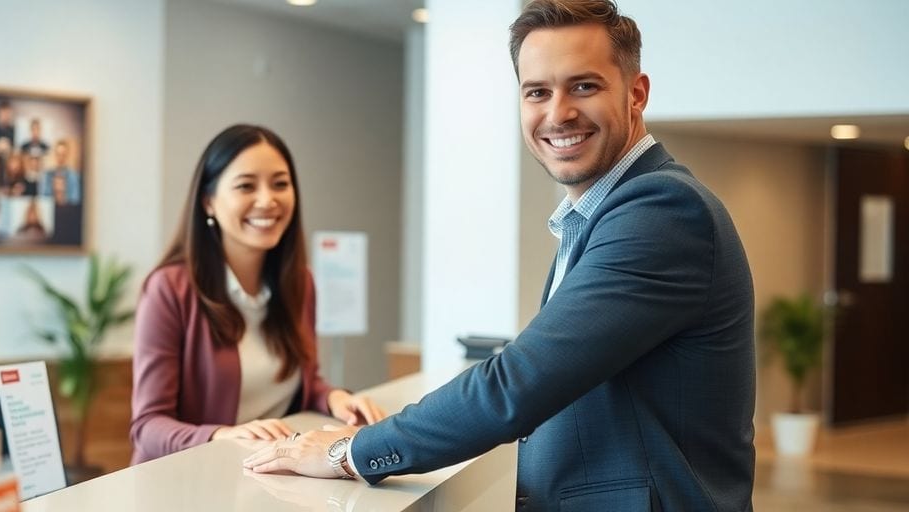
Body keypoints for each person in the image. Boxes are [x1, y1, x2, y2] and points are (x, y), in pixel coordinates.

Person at [244, 1, 756, 511]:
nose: (558, 113)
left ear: (636, 94)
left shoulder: (662, 211)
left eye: (584, 86)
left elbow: (520, 382)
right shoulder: (599, 214)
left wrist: (349, 451)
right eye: (537, 91)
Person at [130, 124, 386, 464]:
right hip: (189, 482)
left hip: (266, 478)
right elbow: (147, 426)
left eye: (280, 184)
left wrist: (334, 398)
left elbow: (305, 381)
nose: (267, 200)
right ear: (208, 202)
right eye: (246, 186)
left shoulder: (300, 283)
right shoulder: (169, 289)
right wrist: (220, 435)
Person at [38, 140, 81, 204]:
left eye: (63, 154)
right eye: (58, 154)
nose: (60, 158)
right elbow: (43, 199)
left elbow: (75, 200)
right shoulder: (46, 175)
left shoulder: (74, 176)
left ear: (67, 155)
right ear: (55, 155)